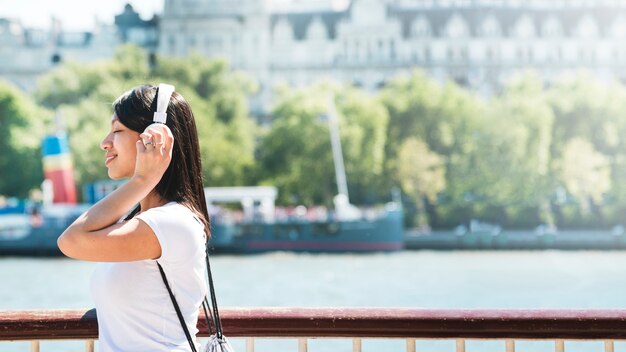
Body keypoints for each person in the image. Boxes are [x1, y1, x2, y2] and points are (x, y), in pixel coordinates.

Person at [58, 84, 210, 351]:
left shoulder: (172, 224)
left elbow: (71, 241)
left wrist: (144, 179)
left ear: (155, 139)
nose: (105, 142)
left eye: (117, 130)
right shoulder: (147, 221)